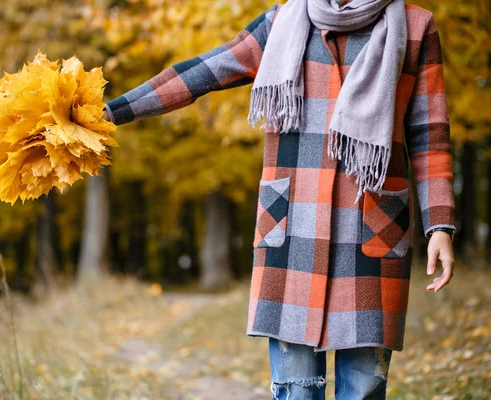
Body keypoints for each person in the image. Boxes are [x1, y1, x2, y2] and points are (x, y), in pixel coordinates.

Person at [102, 0, 456, 398]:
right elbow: (203, 72)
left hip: (372, 234)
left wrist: (440, 224)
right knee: (295, 390)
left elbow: (430, 135)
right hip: (291, 236)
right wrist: (110, 113)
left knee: (364, 389)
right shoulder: (281, 22)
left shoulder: (414, 27)